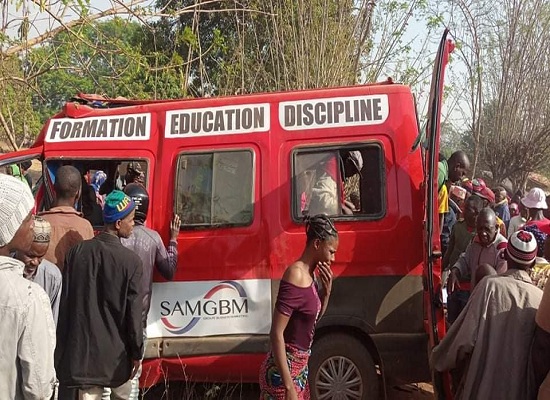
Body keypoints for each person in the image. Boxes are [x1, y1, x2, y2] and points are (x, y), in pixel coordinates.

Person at [432, 230, 542, 399]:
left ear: (506, 256)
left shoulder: (489, 287)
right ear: (533, 263)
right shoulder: (540, 300)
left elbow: (461, 342)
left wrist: (438, 358)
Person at [55, 190, 143, 399]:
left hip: (84, 358)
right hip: (117, 360)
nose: (134, 225)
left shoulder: (77, 253)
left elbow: (67, 306)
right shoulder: (131, 262)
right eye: (131, 220)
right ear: (118, 223)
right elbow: (134, 316)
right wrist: (136, 353)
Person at [259, 215, 337, 399]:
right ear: (317, 244)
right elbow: (276, 333)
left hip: (300, 371)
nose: (333, 258)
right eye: (331, 251)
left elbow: (311, 321)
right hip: (283, 375)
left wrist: (326, 293)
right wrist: (289, 388)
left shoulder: (311, 275)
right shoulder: (296, 275)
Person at [118, 183, 180, 400]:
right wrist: (173, 239)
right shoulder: (153, 238)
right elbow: (169, 270)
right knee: (133, 377)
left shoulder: (114, 235)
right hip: (138, 322)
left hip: (113, 320)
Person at [0, 174, 57, 399]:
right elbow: (39, 388)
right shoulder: (28, 297)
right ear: (8, 228)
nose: (33, 226)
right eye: (26, 219)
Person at [446, 208, 507, 323]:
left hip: (490, 308)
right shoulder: (475, 241)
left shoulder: (502, 248)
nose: (483, 233)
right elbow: (465, 259)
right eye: (480, 229)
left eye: (487, 229)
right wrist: (455, 271)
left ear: (496, 228)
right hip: (473, 300)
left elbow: (500, 282)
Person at [39, 165, 95, 271]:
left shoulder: (39, 222)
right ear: (78, 193)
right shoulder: (85, 226)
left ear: (54, 189)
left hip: (43, 286)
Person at [15, 216, 62, 325]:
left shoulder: (53, 277)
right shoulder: (5, 270)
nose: (35, 262)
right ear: (18, 248)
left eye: (40, 256)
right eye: (30, 255)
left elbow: (52, 320)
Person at [442, 194, 483, 283]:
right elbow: (449, 251)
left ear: (476, 212)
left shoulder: (481, 233)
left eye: (468, 209)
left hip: (470, 281)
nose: (463, 211)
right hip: (454, 277)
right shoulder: (457, 226)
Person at [439, 151, 470, 247]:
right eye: (462, 173)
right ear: (457, 166)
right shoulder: (440, 173)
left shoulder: (442, 173)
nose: (462, 178)